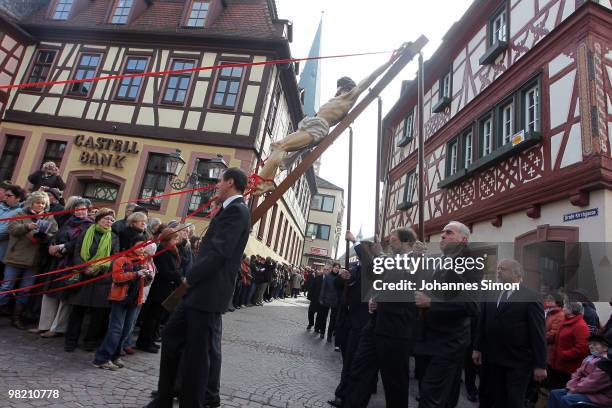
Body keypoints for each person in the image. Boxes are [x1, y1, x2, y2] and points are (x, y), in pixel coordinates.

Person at [146, 168, 250, 408]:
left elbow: (218, 253)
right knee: (172, 336)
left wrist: (189, 278)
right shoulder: (229, 209)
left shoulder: (237, 211)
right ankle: (164, 397)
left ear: (230, 182)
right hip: (200, 290)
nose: (216, 185)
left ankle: (191, 402)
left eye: (220, 180)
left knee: (198, 353)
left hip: (208, 291)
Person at [254, 43, 411, 195]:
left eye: (339, 88)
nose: (336, 91)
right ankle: (268, 182)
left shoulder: (349, 97)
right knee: (277, 146)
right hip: (311, 125)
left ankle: (262, 181)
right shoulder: (333, 101)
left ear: (345, 89)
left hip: (318, 128)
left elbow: (370, 79)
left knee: (281, 146)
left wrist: (390, 62)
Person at [340, 227, 419, 408]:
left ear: (407, 242)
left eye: (394, 240)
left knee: (394, 384)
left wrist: (360, 245)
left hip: (396, 332)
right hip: (374, 326)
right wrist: (375, 300)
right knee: (359, 373)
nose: (390, 242)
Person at [414, 221, 480, 408]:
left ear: (464, 240)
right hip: (429, 339)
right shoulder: (441, 261)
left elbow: (471, 305)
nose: (443, 235)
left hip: (448, 343)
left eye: (449, 232)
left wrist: (430, 303)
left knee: (430, 395)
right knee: (445, 395)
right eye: (442, 232)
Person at [473, 259, 547, 408]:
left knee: (514, 401)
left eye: (503, 269)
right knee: (496, 397)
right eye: (498, 268)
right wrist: (477, 347)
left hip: (518, 360)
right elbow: (483, 322)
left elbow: (538, 332)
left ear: (516, 273)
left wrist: (540, 364)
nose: (499, 271)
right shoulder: (491, 292)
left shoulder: (530, 296)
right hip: (493, 358)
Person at [35, 198, 92, 337]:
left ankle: (57, 328)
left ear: (88, 211)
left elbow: (79, 242)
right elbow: (58, 235)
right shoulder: (69, 221)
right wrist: (51, 246)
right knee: (49, 293)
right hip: (57, 262)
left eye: (83, 209)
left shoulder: (89, 225)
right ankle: (44, 325)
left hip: (70, 263)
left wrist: (61, 248)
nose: (80, 212)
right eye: (78, 209)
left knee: (63, 296)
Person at [64, 208, 120, 352]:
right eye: (106, 219)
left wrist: (99, 267)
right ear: (98, 219)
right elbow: (77, 251)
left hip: (101, 278)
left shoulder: (114, 237)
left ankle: (90, 341)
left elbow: (114, 257)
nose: (109, 222)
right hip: (83, 276)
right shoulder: (86, 232)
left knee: (97, 314)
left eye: (111, 220)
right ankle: (71, 341)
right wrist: (84, 267)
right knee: (77, 311)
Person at [93, 237, 152, 370]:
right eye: (139, 246)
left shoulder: (144, 261)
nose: (142, 248)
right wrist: (136, 274)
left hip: (135, 299)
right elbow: (117, 278)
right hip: (120, 298)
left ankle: (115, 356)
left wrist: (148, 276)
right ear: (131, 246)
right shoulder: (121, 260)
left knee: (127, 330)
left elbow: (145, 283)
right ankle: (102, 358)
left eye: (143, 246)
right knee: (116, 329)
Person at [0, 191, 58, 328]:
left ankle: (16, 318)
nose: (40, 205)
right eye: (38, 202)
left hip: (33, 260)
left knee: (25, 290)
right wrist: (27, 226)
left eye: (43, 203)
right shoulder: (20, 213)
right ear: (31, 202)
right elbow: (12, 229)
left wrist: (45, 236)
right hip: (15, 257)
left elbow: (54, 233)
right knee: (7, 287)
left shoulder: (49, 218)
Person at [136, 227, 182, 353]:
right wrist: (178, 277)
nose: (176, 241)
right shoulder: (162, 251)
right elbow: (165, 271)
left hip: (166, 288)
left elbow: (174, 268)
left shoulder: (171, 250)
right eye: (175, 238)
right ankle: (144, 342)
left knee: (158, 317)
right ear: (168, 238)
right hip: (159, 288)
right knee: (152, 316)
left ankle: (150, 339)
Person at [547, 333, 612, 408]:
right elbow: (577, 373)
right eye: (590, 344)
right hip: (582, 388)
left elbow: (592, 384)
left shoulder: (605, 363)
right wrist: (572, 386)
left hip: (600, 395)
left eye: (595, 344)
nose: (591, 346)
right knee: (554, 394)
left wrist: (574, 389)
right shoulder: (589, 358)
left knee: (566, 399)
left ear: (605, 347)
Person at [548, 301, 590, 389]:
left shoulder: (580, 326)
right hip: (557, 364)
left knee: (561, 389)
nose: (563, 309)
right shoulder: (565, 321)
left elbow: (582, 348)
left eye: (566, 307)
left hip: (568, 368)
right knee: (553, 388)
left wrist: (563, 355)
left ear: (572, 310)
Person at [0, 184, 25, 267]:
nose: (5, 197)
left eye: (9, 195)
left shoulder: (19, 212)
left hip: (2, 252)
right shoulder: (0, 207)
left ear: (18, 198)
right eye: (5, 195)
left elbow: (5, 230)